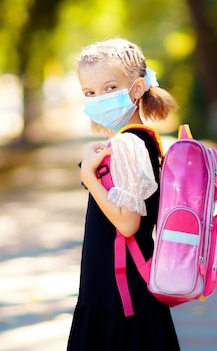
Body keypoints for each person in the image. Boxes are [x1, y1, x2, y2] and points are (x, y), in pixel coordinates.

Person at [67, 38, 181, 351]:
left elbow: (128, 223)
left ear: (137, 89)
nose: (98, 99)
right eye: (89, 93)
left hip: (121, 294)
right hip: (124, 287)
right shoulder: (141, 139)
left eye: (109, 88)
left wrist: (89, 177)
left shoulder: (128, 145)